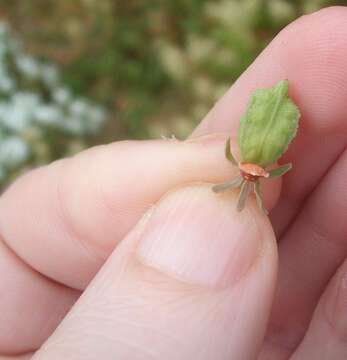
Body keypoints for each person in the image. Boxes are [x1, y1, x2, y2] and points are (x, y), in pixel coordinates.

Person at [1, 7, 347, 360]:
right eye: (248, 174)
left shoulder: (254, 159)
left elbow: (272, 162)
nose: (247, 179)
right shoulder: (247, 162)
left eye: (252, 177)